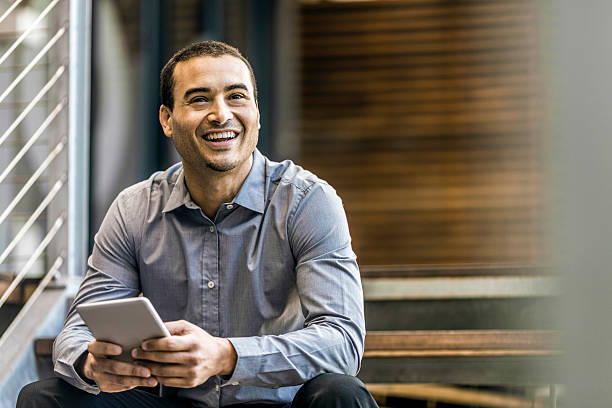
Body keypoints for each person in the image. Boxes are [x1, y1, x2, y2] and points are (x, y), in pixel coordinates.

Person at [18, 41, 377, 408]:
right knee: (44, 398)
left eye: (236, 97)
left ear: (256, 112)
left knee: (340, 395)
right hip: (172, 402)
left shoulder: (306, 202)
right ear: (167, 119)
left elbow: (343, 341)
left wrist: (226, 356)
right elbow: (80, 326)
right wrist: (92, 362)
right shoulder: (134, 208)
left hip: (277, 404)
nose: (221, 114)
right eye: (199, 99)